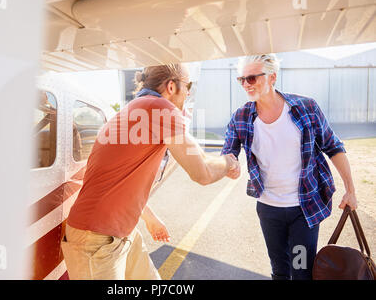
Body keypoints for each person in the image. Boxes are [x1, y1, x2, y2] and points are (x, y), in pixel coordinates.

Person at [62, 63, 239, 280]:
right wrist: (229, 162)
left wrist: (149, 217)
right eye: (188, 85)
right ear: (171, 86)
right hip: (97, 240)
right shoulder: (160, 109)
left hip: (119, 233)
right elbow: (201, 172)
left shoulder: (137, 108)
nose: (189, 92)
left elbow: (120, 176)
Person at [221, 54, 357, 280]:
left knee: (301, 270)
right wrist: (230, 165)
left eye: (252, 78)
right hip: (269, 210)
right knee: (280, 271)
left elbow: (333, 147)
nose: (246, 84)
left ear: (272, 77)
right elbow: (228, 152)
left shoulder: (306, 108)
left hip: (303, 211)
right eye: (241, 79)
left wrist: (350, 190)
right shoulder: (242, 116)